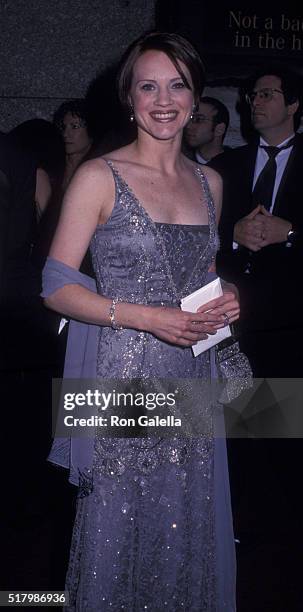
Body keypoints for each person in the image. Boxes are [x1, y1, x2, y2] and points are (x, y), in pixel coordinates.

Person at [43, 32, 240, 610]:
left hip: (192, 378)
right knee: (117, 531)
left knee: (186, 525)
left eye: (178, 84)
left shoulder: (212, 184)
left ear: (196, 96)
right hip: (121, 379)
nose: (163, 99)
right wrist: (146, 318)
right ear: (128, 97)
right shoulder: (98, 177)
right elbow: (54, 287)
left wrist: (225, 295)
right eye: (147, 85)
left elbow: (201, 275)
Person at [209, 64, 303, 377]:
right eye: (252, 96)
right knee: (227, 418)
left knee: (276, 421)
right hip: (231, 313)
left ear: (293, 105)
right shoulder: (225, 165)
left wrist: (291, 232)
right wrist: (232, 233)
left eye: (266, 95)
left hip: (291, 321)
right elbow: (195, 232)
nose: (255, 103)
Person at [53, 100, 93, 191]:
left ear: (91, 129)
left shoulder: (100, 168)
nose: (65, 134)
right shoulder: (53, 164)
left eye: (74, 127)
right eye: (63, 127)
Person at [184, 96, 230, 164]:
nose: (188, 126)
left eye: (198, 120)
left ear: (219, 129)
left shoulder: (235, 164)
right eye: (188, 119)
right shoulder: (181, 161)